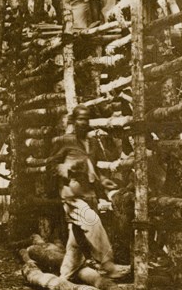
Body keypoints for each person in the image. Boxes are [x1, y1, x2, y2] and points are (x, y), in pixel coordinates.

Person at [49, 105, 129, 280]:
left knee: (77, 239)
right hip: (71, 195)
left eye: (86, 119)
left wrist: (102, 181)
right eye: (80, 119)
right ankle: (107, 265)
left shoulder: (91, 143)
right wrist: (67, 169)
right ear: (73, 120)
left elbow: (91, 168)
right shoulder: (65, 141)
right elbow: (51, 165)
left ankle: (66, 275)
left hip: (88, 193)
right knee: (91, 221)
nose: (83, 123)